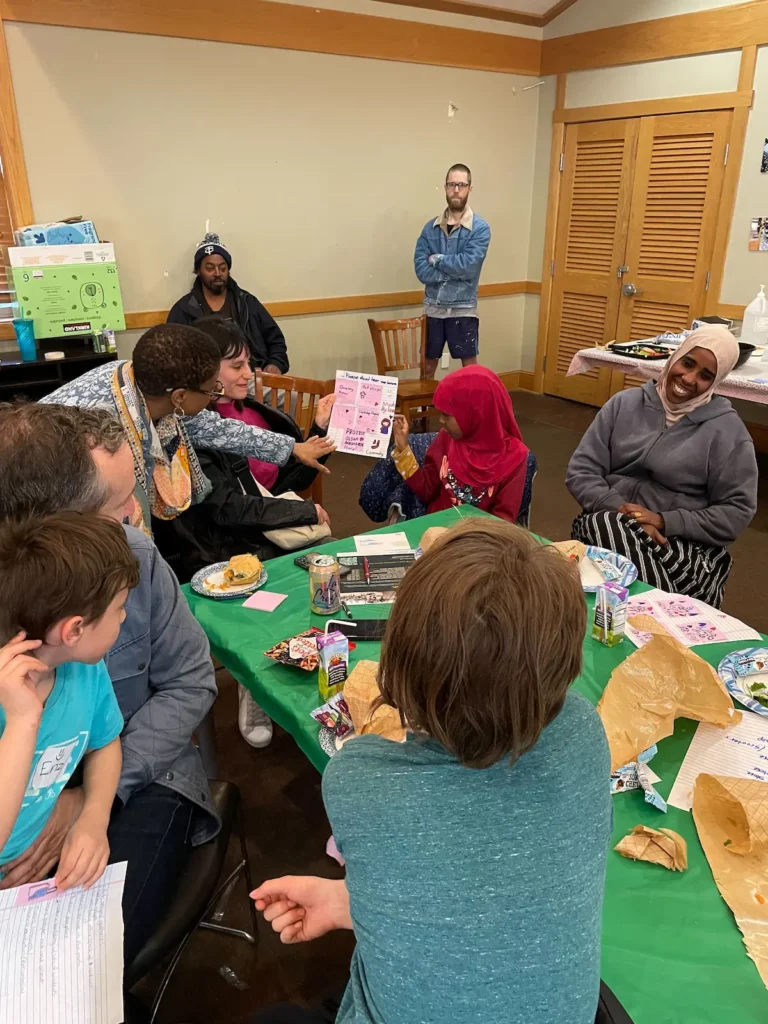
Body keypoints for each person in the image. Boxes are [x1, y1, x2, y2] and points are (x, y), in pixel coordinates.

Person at [251, 518, 612, 1024]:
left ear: (399, 660)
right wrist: (345, 901)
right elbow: (480, 887)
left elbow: (442, 861)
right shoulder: (584, 733)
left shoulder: (360, 778)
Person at [0, 402, 220, 976]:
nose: (134, 517)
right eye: (114, 504)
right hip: (20, 806)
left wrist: (87, 803)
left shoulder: (135, 559)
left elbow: (190, 681)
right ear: (45, 528)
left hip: (136, 776)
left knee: (83, 961)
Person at [152, 317, 335, 749]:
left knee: (325, 568)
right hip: (215, 543)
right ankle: (254, 683)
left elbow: (279, 482)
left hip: (252, 524)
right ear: (203, 372)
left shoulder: (251, 412)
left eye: (249, 363)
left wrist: (318, 432)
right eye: (235, 366)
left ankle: (295, 673)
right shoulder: (192, 422)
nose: (247, 374)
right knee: (295, 578)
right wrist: (301, 511)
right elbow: (227, 508)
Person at [40, 323, 332, 533]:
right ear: (179, 397)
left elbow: (213, 428)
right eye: (211, 389)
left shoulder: (145, 381)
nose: (215, 395)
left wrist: (292, 447)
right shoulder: (105, 435)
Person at [566, 325, 758, 608]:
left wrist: (664, 521)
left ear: (717, 381)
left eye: (706, 376)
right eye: (687, 363)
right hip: (606, 522)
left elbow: (737, 510)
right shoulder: (624, 405)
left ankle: (662, 609)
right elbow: (582, 470)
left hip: (681, 544)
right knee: (605, 527)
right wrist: (626, 515)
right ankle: (670, 612)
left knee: (608, 552)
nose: (689, 379)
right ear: (674, 356)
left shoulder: (727, 432)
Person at [0, 513, 137, 895]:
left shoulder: (82, 669)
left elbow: (105, 742)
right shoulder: (11, 703)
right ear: (74, 630)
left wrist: (94, 816)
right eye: (120, 608)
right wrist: (23, 720)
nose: (124, 618)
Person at [390, 365, 529, 523]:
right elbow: (426, 490)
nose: (441, 421)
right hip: (435, 532)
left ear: (475, 414)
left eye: (446, 415)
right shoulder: (447, 439)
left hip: (478, 542)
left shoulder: (515, 456)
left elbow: (502, 523)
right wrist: (403, 449)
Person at [167, 231, 289, 374]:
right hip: (208, 385)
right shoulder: (184, 310)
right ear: (198, 271)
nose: (217, 273)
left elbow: (276, 342)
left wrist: (275, 365)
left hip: (251, 378)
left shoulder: (247, 302)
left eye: (222, 268)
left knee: (292, 397)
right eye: (210, 268)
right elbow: (172, 355)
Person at [414, 163, 491, 378]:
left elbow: (468, 267)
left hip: (464, 309)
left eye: (461, 185)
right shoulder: (430, 228)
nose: (456, 190)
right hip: (433, 309)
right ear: (445, 187)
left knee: (471, 370)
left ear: (469, 189)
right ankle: (425, 411)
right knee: (427, 368)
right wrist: (453, 271)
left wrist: (437, 260)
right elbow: (421, 270)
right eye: (452, 185)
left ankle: (472, 411)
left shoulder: (480, 228)